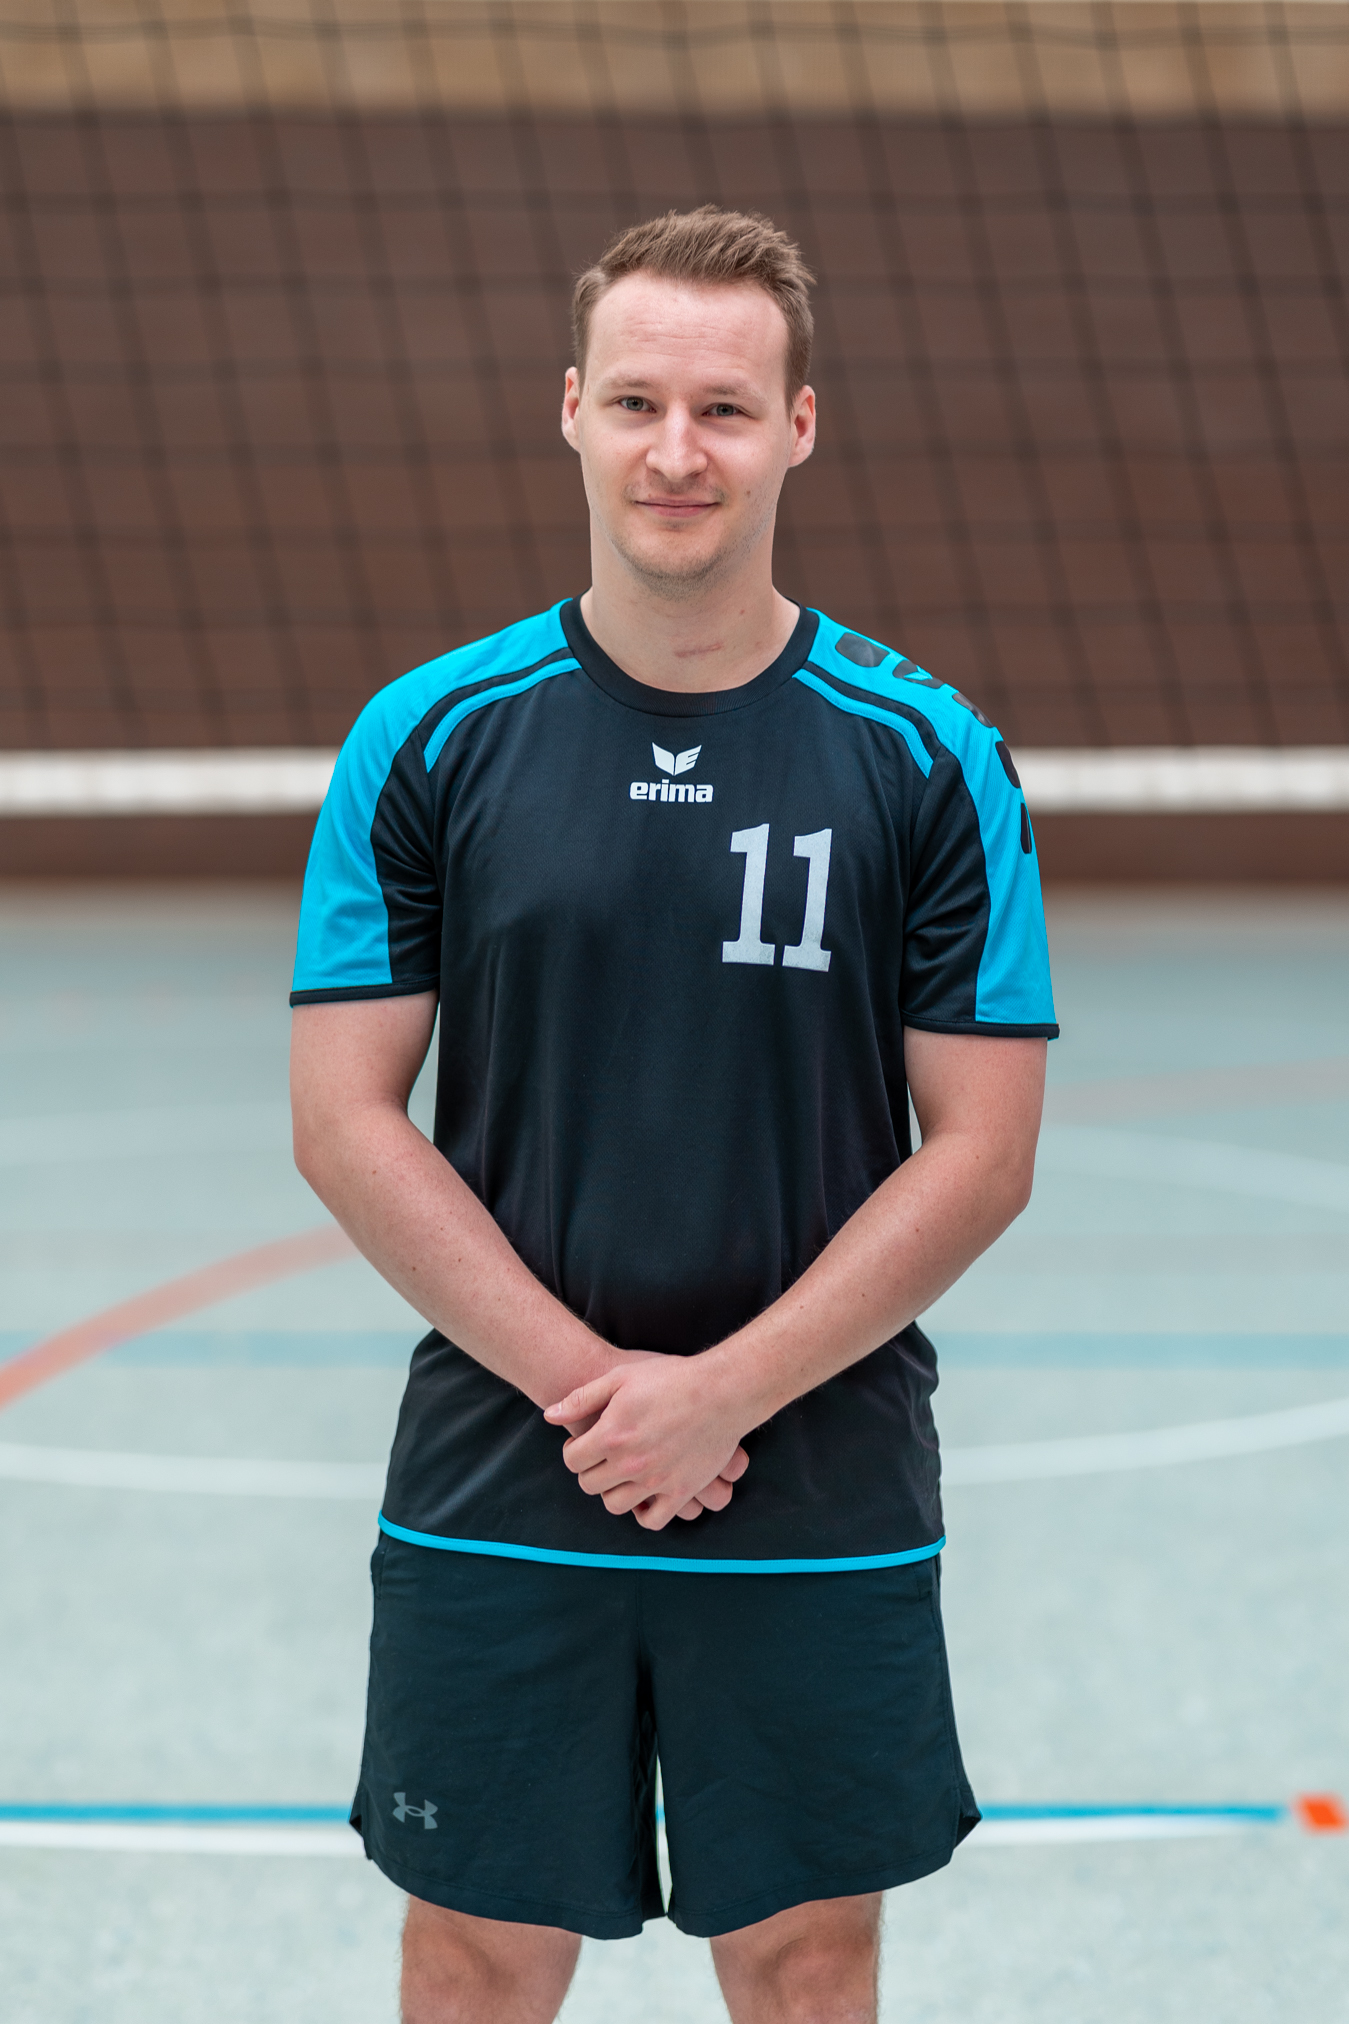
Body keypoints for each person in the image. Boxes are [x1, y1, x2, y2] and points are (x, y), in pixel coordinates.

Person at [289, 205, 1057, 2024]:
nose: (675, 451)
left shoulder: (927, 754)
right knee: (475, 1954)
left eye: (723, 408)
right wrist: (605, 1395)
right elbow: (343, 1120)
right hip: (506, 1456)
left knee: (804, 1958)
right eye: (636, 401)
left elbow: (983, 1150)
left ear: (798, 427)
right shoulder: (426, 736)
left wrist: (724, 1395)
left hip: (817, 1460)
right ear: (570, 408)